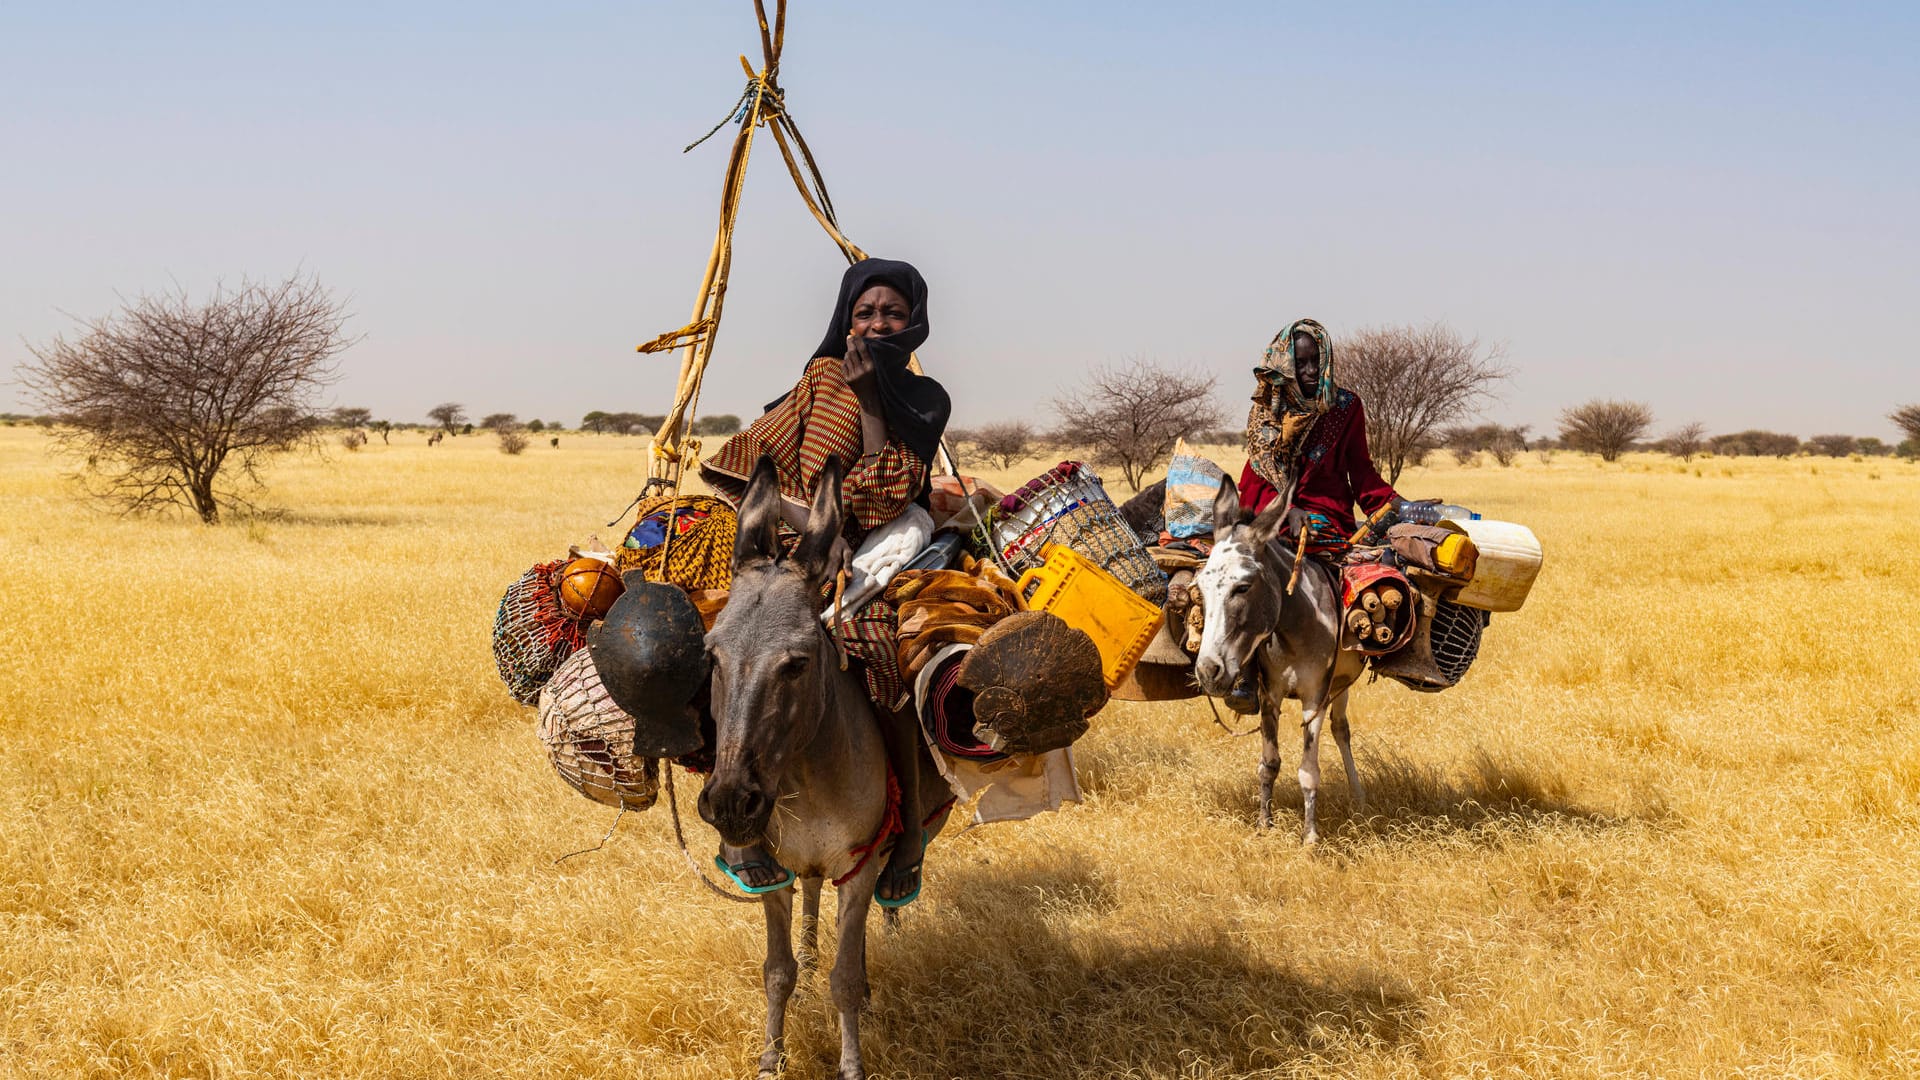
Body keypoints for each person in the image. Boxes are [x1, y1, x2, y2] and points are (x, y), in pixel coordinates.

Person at [699, 257, 949, 907]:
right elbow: (754, 461)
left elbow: (887, 491)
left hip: (885, 541)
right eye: (864, 312)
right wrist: (810, 524)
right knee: (730, 642)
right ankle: (736, 815)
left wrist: (870, 403)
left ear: (914, 320)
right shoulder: (817, 377)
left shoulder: (925, 398)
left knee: (885, 651)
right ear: (844, 318)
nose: (876, 323)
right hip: (799, 537)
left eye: (892, 312)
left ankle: (909, 832)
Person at [1226, 318, 1400, 711]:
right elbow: (1262, 468)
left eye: (1314, 362)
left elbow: (1362, 471)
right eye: (1300, 363)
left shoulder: (1345, 407)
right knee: (1248, 572)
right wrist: (1285, 510)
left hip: (1326, 514)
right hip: (1267, 505)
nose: (1308, 372)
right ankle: (1245, 670)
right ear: (1284, 364)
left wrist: (1393, 506)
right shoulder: (1266, 409)